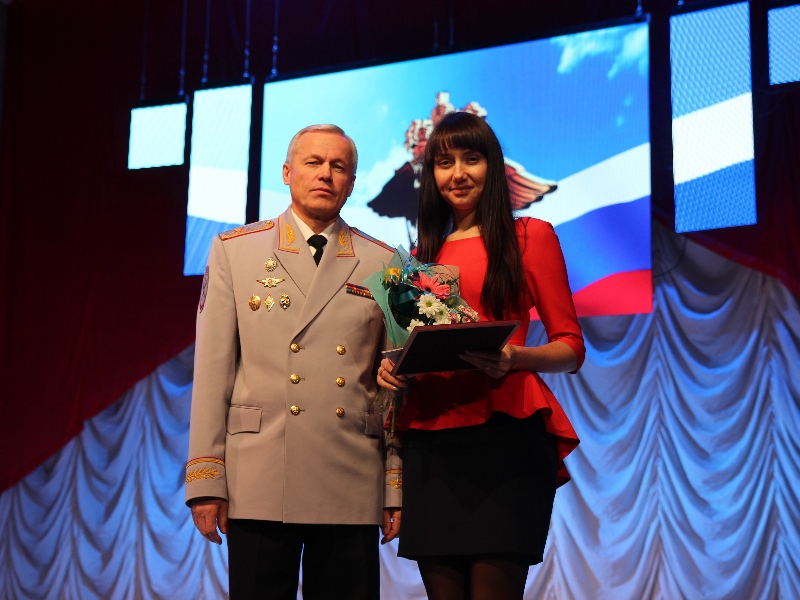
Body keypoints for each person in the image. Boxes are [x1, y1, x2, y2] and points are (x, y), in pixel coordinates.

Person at [186, 124, 401, 600]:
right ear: (287, 172)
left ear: (351, 182)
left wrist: (394, 484)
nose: (325, 174)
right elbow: (213, 373)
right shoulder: (236, 251)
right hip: (259, 476)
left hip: (350, 475)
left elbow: (391, 387)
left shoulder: (384, 262)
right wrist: (206, 479)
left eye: (338, 166)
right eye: (313, 162)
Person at [378, 112, 585, 600]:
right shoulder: (418, 256)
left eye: (471, 159)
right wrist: (394, 368)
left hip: (505, 437)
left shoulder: (530, 236)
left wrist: (515, 357)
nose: (458, 174)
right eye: (444, 162)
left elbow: (571, 348)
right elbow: (412, 344)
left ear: (493, 166)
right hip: (431, 443)